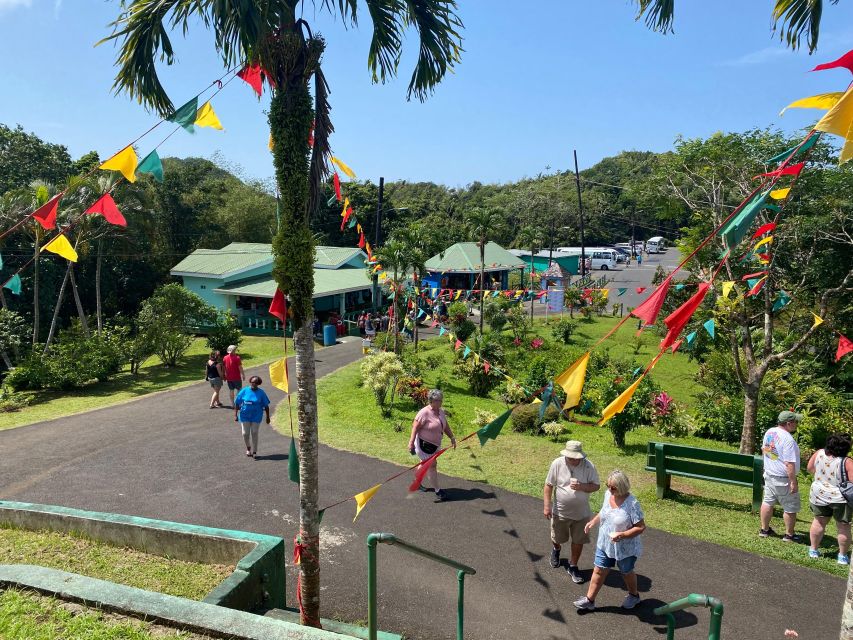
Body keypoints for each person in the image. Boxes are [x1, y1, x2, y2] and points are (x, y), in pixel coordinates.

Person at [574, 470, 646, 611]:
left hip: (625, 548)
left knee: (626, 572)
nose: (609, 489)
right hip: (605, 543)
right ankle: (589, 600)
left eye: (613, 487)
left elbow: (641, 527)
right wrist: (593, 521)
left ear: (622, 487)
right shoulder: (608, 494)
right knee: (599, 570)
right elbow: (604, 511)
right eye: (608, 486)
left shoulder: (632, 504)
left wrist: (622, 535)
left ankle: (634, 595)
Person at [543, 440, 600, 584]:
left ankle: (573, 565)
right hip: (560, 512)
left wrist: (582, 486)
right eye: (571, 458)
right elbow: (549, 485)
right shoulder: (557, 463)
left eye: (577, 458)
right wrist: (547, 506)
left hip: (582, 514)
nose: (575, 460)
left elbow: (596, 486)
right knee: (557, 538)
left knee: (578, 540)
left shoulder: (588, 466)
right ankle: (556, 549)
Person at [807, 433, 853, 564]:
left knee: (818, 522)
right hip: (840, 499)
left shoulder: (819, 453)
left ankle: (813, 550)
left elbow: (810, 469)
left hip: (818, 494)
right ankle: (843, 556)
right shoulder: (847, 461)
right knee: (843, 526)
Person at [759, 410, 803, 541]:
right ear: (788, 423)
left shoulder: (770, 432)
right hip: (783, 478)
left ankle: (764, 529)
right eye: (795, 422)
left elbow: (766, 451)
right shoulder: (788, 439)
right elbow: (790, 464)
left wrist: (774, 463)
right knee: (790, 507)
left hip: (769, 475)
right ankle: (789, 534)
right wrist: (793, 481)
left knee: (767, 502)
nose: (797, 424)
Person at [407, 389, 456, 501]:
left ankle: (417, 482)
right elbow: (415, 427)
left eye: (441, 400)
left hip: (434, 446)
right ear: (432, 401)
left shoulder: (441, 411)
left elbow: (445, 425)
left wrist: (452, 437)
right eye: (439, 400)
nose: (441, 402)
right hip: (423, 445)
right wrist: (411, 443)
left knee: (424, 463)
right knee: (432, 465)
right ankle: (438, 491)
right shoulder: (424, 413)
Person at [234, 375, 271, 458]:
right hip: (244, 415)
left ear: (258, 384)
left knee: (254, 432)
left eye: (255, 382)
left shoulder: (261, 393)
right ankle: (248, 448)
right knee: (245, 433)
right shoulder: (244, 391)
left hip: (256, 415)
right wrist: (235, 415)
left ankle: (254, 451)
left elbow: (266, 406)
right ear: (250, 382)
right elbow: (237, 402)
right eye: (252, 382)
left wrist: (268, 417)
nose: (253, 384)